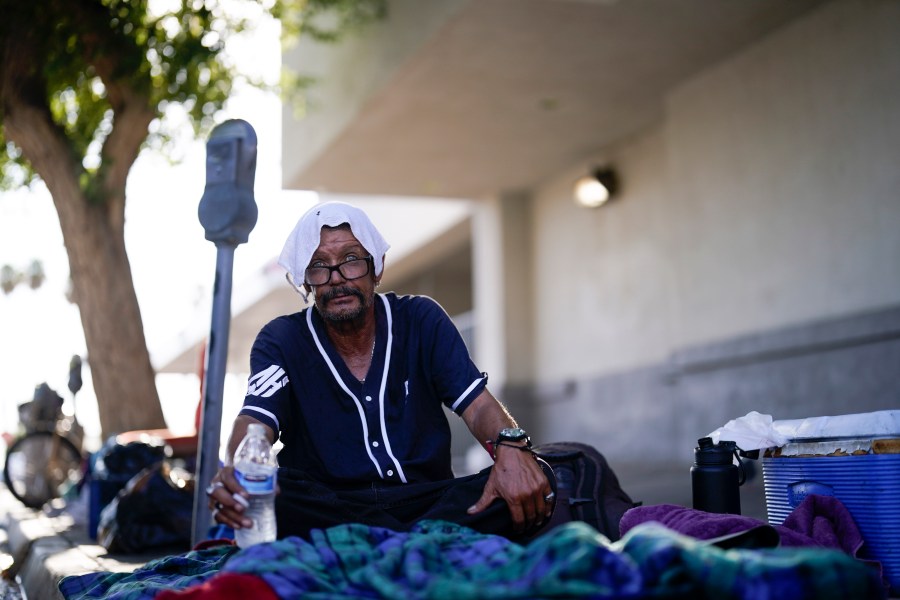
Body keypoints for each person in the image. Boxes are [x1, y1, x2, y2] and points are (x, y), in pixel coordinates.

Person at [205, 201, 555, 541]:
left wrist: (512, 449)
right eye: (319, 266)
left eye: (352, 260)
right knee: (280, 494)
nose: (337, 278)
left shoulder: (421, 319)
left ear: (377, 266)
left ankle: (376, 542)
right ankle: (420, 542)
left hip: (426, 501)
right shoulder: (281, 339)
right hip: (329, 508)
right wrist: (237, 469)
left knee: (541, 477)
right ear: (306, 282)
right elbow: (255, 422)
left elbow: (477, 406)